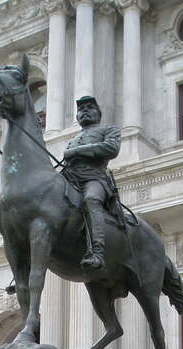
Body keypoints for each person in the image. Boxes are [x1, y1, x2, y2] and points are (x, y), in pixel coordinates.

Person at [62, 96, 121, 274]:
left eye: (89, 107)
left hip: (94, 178)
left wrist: (77, 151)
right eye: (81, 109)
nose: (85, 111)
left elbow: (111, 148)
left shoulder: (109, 130)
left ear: (98, 114)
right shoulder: (74, 139)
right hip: (71, 178)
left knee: (91, 200)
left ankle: (97, 252)